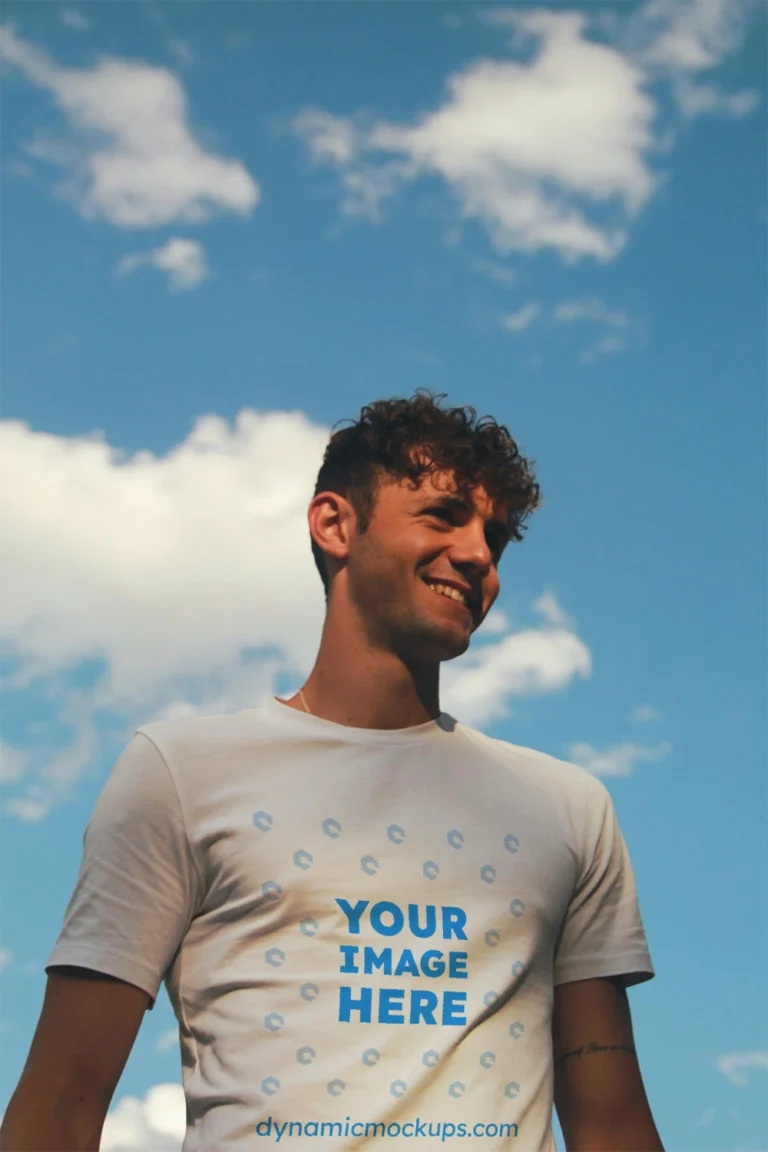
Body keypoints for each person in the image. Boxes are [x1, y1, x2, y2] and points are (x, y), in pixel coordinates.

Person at [0, 391, 665, 1152]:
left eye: (497, 536)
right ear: (334, 524)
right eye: (444, 515)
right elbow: (57, 1108)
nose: (480, 554)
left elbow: (611, 1124)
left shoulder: (568, 809)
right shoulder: (181, 773)